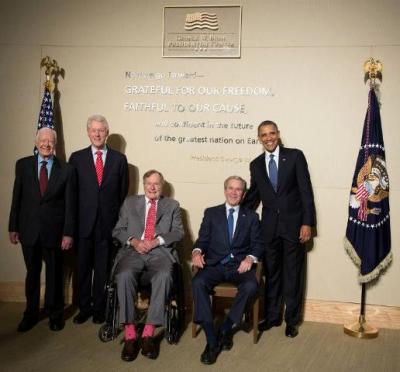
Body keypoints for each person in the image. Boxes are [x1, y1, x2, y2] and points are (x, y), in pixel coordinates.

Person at [242, 120, 316, 338]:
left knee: (293, 275)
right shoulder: (256, 164)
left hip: (294, 227)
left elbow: (305, 191)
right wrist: (236, 213)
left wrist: (307, 223)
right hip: (269, 229)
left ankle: (291, 321)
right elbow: (254, 194)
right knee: (272, 275)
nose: (268, 138)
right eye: (263, 135)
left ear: (278, 134)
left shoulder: (295, 156)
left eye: (271, 133)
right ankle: (273, 316)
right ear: (259, 138)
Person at [8, 127, 76, 332]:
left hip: (54, 232)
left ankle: (55, 314)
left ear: (55, 145)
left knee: (55, 275)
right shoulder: (23, 165)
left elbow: (70, 205)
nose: (46, 144)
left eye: (50, 141)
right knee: (32, 274)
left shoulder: (66, 170)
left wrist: (68, 232)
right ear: (36, 143)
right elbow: (17, 198)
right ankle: (30, 314)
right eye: (43, 141)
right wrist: (13, 226)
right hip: (28, 229)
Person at [112, 170, 184, 362]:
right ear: (143, 186)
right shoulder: (129, 203)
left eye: (157, 184)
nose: (152, 187)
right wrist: (134, 241)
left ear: (162, 186)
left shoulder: (172, 205)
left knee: (164, 275)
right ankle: (129, 335)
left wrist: (156, 241)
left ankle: (148, 333)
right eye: (149, 184)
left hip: (159, 253)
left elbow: (178, 232)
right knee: (124, 275)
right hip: (133, 252)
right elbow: (118, 230)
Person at [192, 176, 263, 365]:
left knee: (250, 285)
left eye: (238, 189)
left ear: (244, 193)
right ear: (224, 190)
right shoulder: (211, 213)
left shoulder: (252, 217)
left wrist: (250, 258)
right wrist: (197, 252)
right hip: (214, 265)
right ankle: (211, 339)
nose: (234, 192)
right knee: (198, 282)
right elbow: (202, 240)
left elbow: (258, 245)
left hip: (238, 266)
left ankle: (225, 326)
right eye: (230, 188)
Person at [69, 114, 128, 324]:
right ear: (88, 133)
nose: (97, 134)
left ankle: (99, 308)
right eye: (93, 130)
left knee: (102, 270)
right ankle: (84, 307)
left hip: (107, 225)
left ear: (107, 133)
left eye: (101, 130)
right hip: (83, 225)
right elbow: (72, 194)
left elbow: (122, 195)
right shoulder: (76, 159)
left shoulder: (119, 160)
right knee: (83, 268)